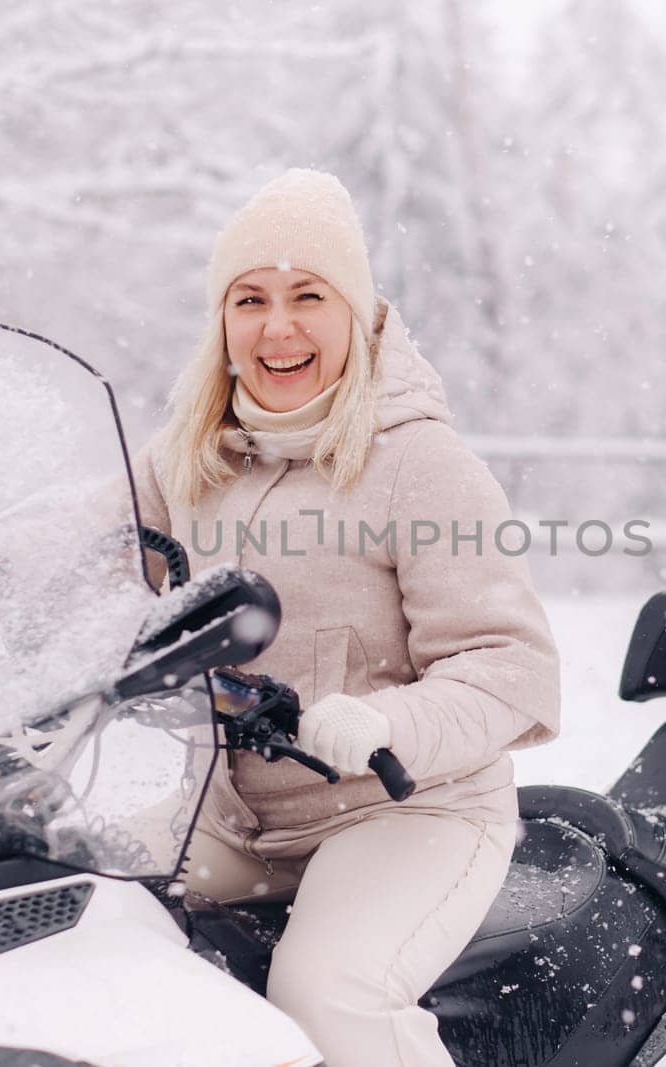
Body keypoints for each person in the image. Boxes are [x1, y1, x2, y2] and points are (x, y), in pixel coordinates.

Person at [132, 168, 560, 1065]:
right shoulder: (186, 461)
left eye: (306, 296)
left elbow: (509, 661)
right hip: (232, 818)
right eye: (249, 298)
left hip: (407, 812)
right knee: (64, 917)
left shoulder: (418, 462)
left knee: (330, 994)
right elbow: (56, 549)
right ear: (222, 323)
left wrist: (383, 721)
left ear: (358, 316)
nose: (276, 326)